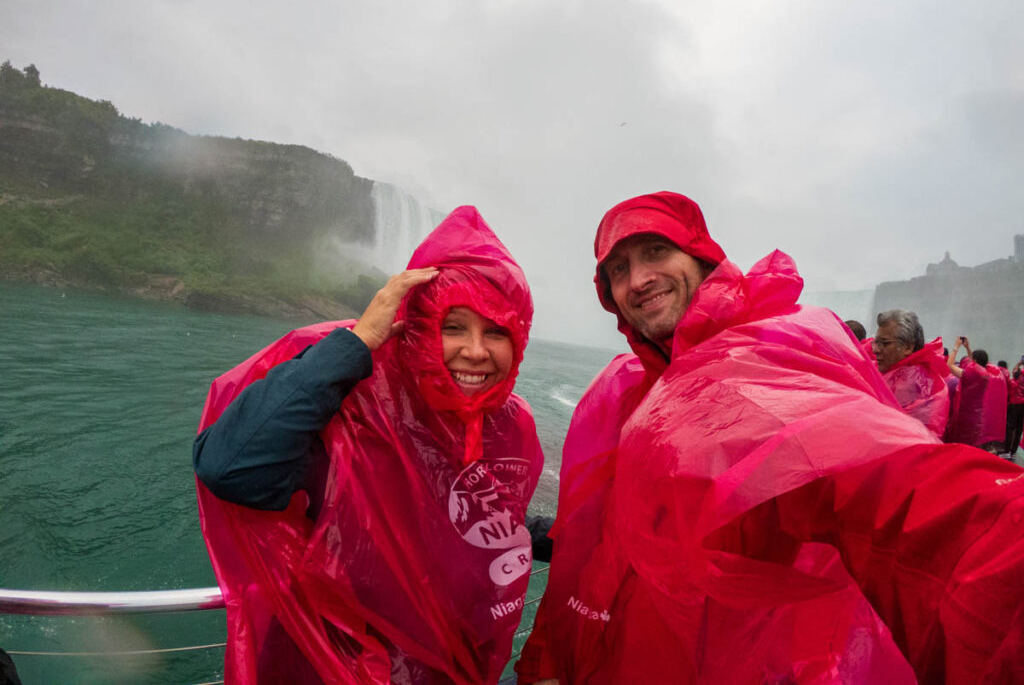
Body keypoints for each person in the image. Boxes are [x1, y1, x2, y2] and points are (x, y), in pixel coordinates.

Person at [517, 191, 1024, 685]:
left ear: (701, 260)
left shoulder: (763, 362)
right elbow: (592, 542)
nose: (639, 279)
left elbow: (896, 493)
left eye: (656, 251)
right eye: (618, 270)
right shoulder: (628, 386)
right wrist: (551, 657)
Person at [194, 206, 543, 685]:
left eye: (496, 331)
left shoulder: (506, 423)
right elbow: (231, 469)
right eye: (453, 326)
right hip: (332, 669)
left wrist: (566, 537)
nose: (476, 351)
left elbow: (472, 509)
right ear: (416, 328)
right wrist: (355, 345)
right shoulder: (357, 409)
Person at [870, 309, 949, 436]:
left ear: (908, 347)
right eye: (876, 343)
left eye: (884, 343)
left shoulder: (916, 381)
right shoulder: (899, 373)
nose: (876, 350)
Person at [946, 337, 1008, 451]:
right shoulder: (988, 372)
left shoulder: (973, 375)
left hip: (967, 416)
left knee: (963, 446)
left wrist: (956, 347)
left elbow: (949, 366)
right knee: (975, 446)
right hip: (979, 417)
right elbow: (975, 363)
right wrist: (968, 348)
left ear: (974, 361)